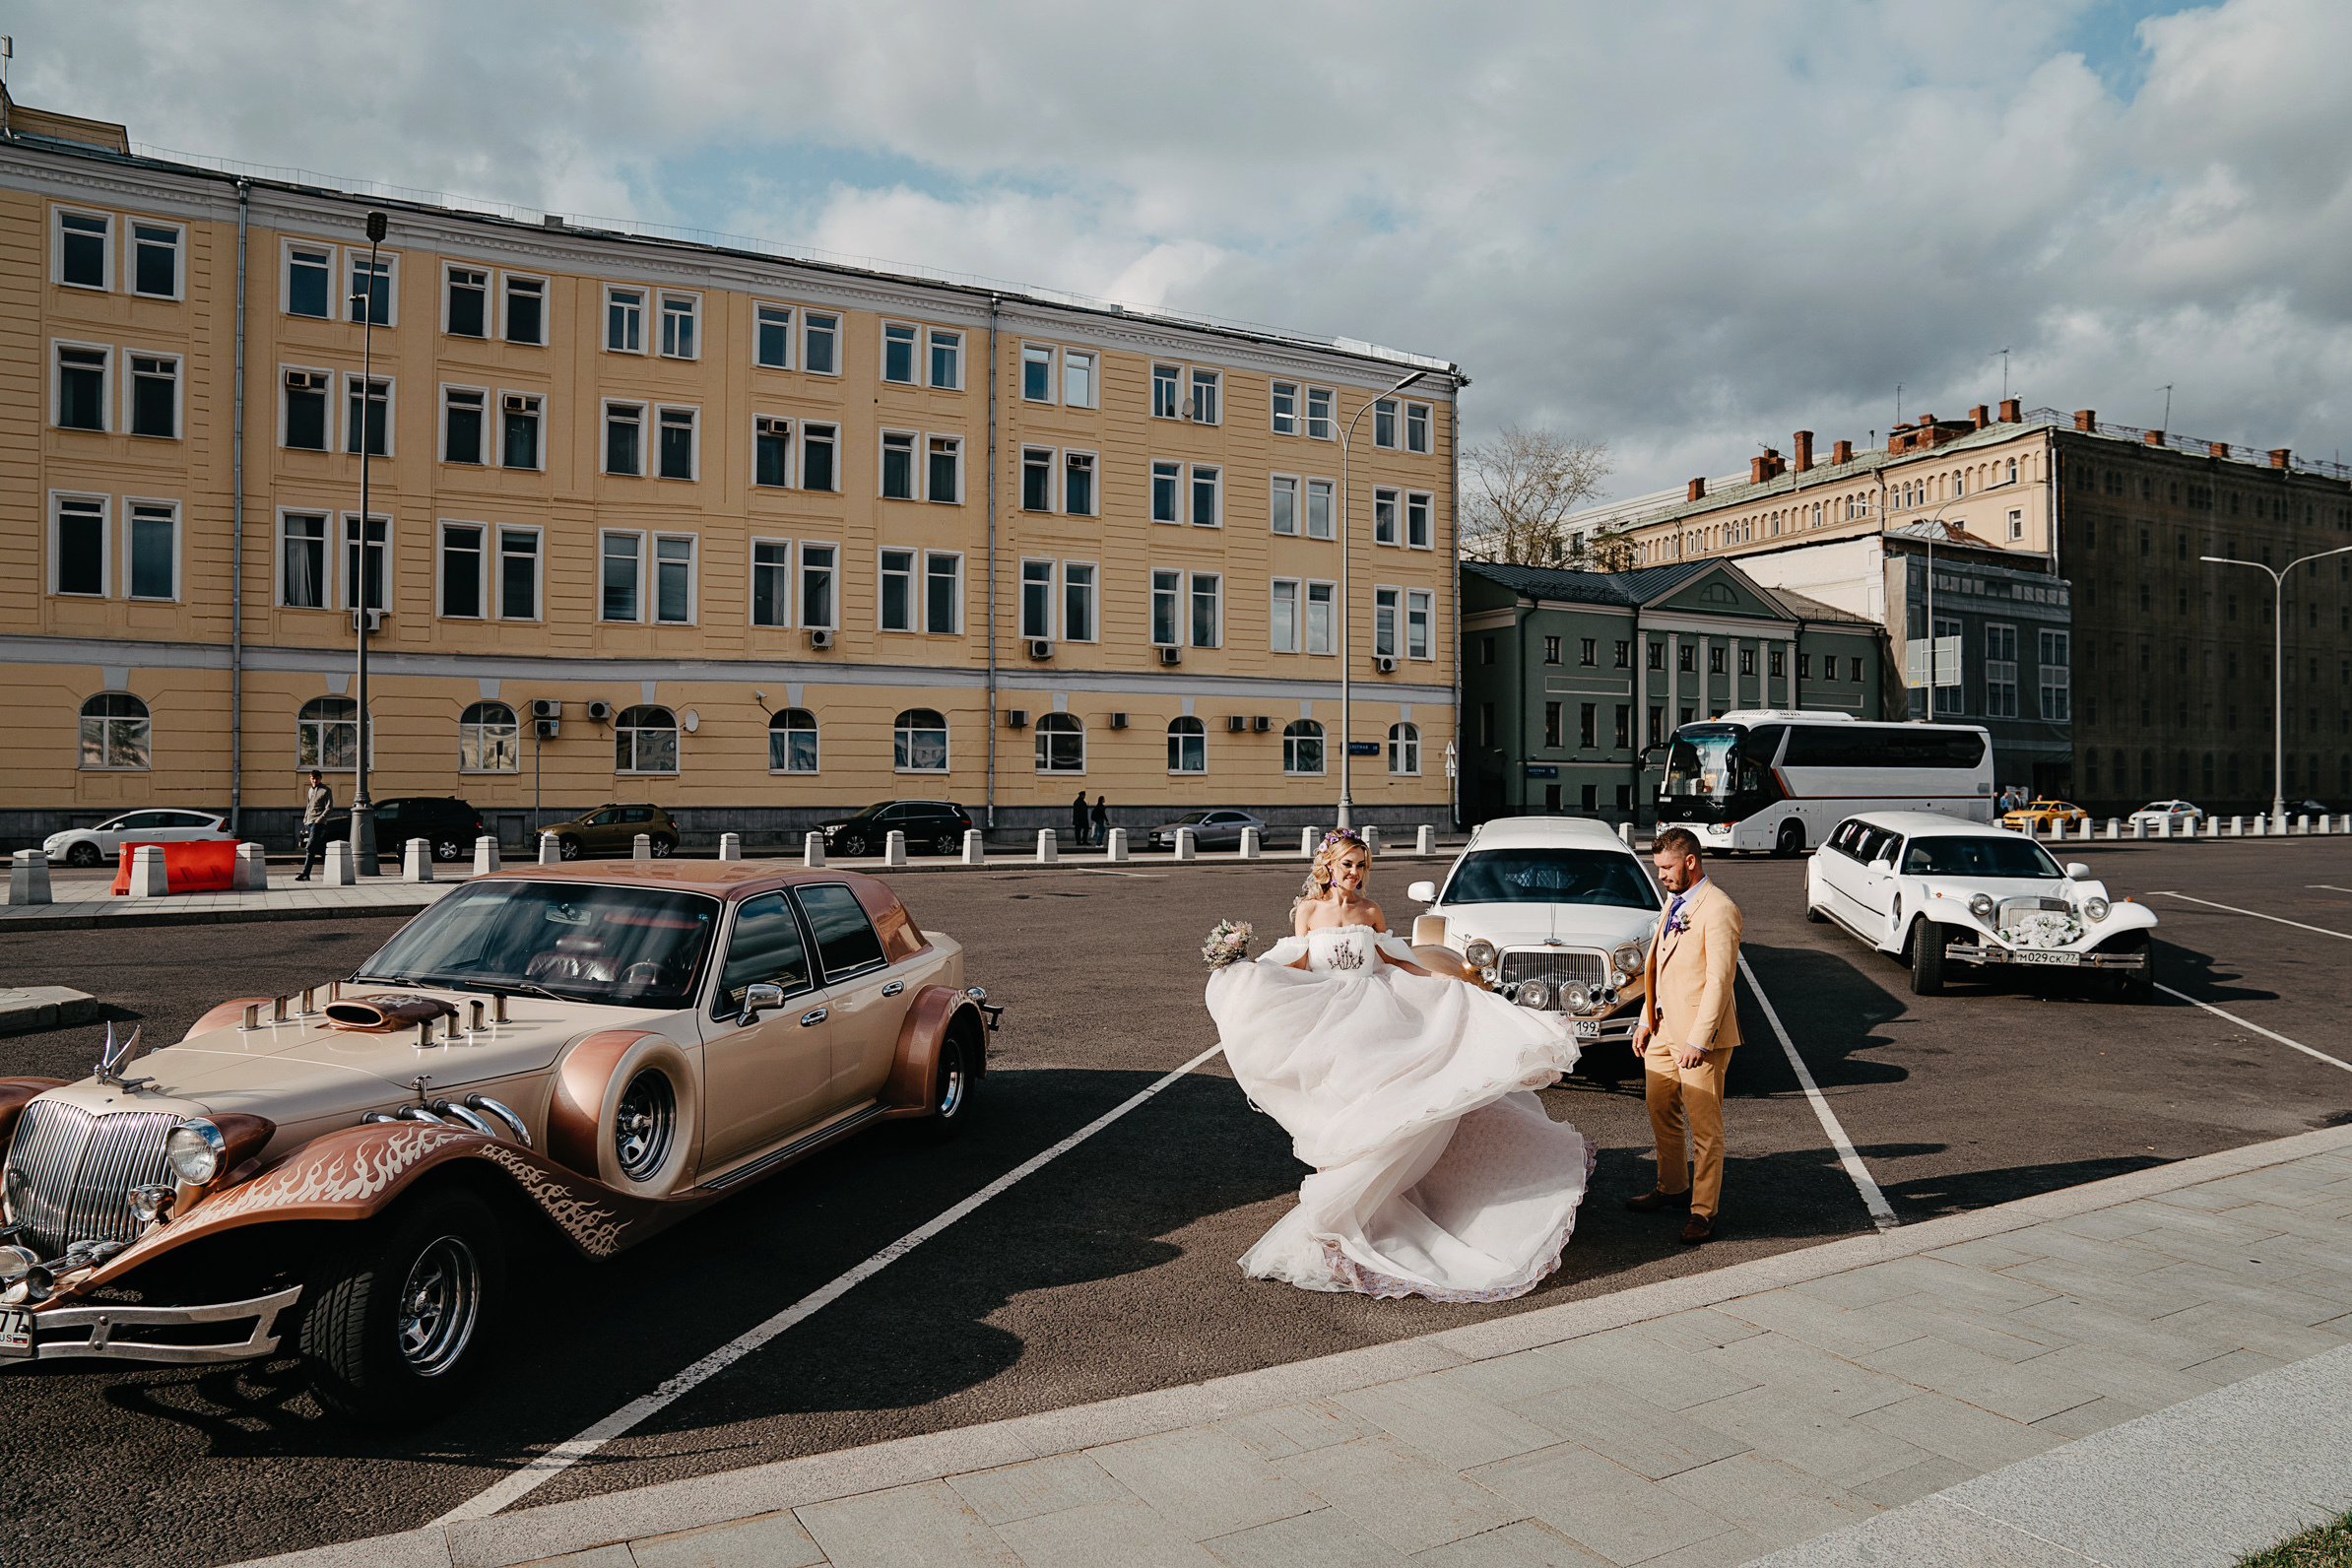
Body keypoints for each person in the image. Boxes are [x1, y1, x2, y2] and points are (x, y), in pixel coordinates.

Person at [1206, 829, 1595, 1301]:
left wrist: (1454, 985)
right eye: (1348, 865)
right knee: (1343, 1111)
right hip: (1330, 1021)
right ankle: (1347, 1205)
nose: (1355, 874)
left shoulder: (1371, 912)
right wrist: (1245, 970)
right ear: (1328, 866)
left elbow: (1400, 963)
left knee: (1391, 1104)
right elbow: (1296, 963)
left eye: (1362, 867)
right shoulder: (1309, 911)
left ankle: (1371, 1203)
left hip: (1376, 1019)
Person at [1629, 825, 1741, 1243]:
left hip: (1699, 1037)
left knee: (1705, 1128)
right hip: (1661, 1030)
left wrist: (1699, 1039)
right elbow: (1657, 967)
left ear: (1690, 861)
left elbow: (1719, 981)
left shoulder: (1719, 909)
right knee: (1661, 1110)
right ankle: (1672, 1187)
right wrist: (1645, 1019)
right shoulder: (1674, 902)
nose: (1661, 875)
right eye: (1657, 867)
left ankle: (1703, 1211)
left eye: (1666, 867)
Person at [294, 769, 334, 882]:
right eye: (313, 779)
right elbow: (309, 805)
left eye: (317, 779)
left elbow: (329, 808)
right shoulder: (310, 790)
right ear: (310, 779)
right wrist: (305, 819)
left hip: (317, 823)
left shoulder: (325, 790)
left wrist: (319, 820)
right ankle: (333, 867)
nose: (315, 781)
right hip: (309, 822)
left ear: (320, 778)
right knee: (319, 848)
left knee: (310, 847)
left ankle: (306, 874)